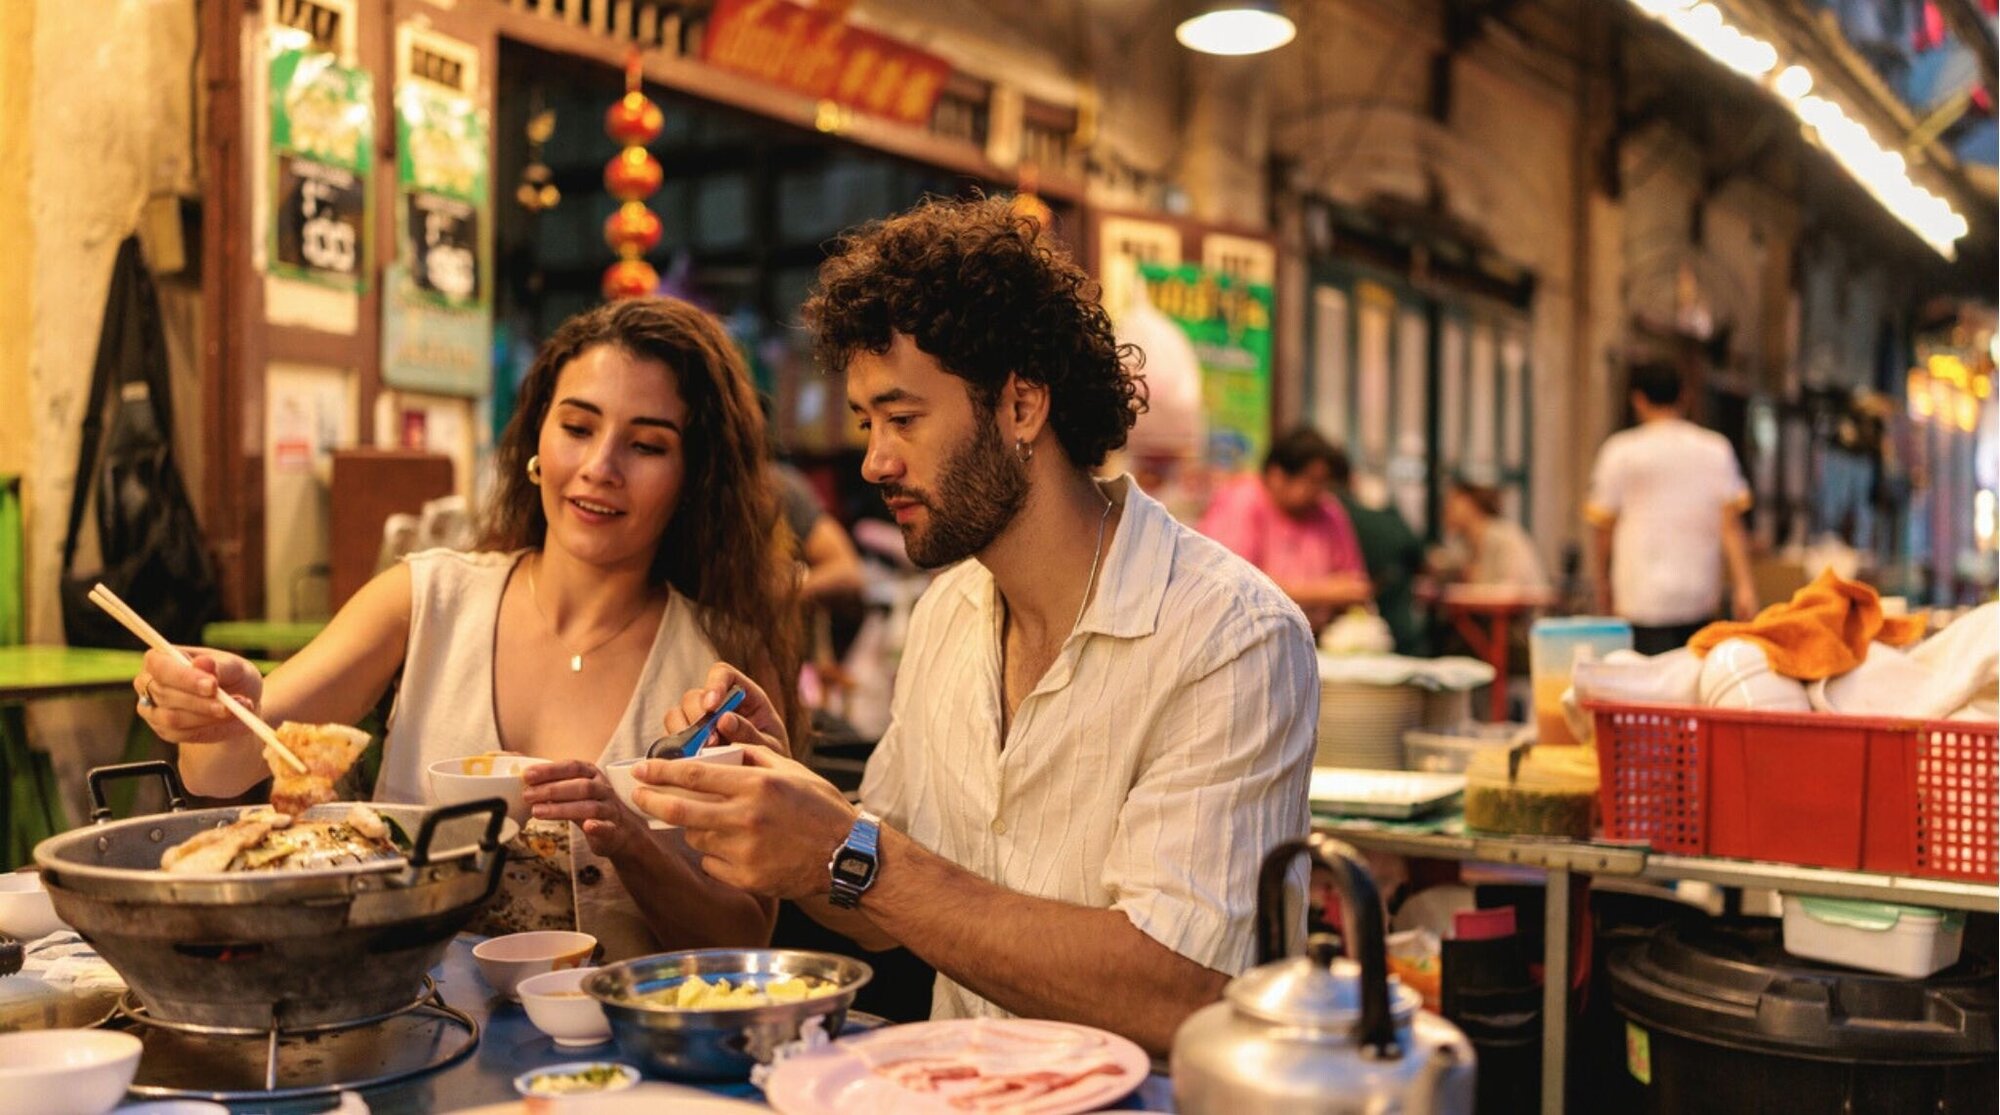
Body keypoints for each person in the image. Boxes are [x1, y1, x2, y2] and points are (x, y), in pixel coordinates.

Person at [627, 196, 1318, 1057]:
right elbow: (882, 908)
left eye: (903, 418)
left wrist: (847, 848)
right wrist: (788, 799)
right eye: (868, 423)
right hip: (950, 1085)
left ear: (1021, 405)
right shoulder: (949, 612)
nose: (875, 460)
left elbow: (1176, 990)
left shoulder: (1233, 638)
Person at [129, 297, 800, 960]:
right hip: (405, 1016)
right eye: (577, 427)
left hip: (620, 1031)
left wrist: (628, 840)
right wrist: (217, 704)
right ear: (537, 439)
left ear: (693, 477)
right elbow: (225, 767)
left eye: (647, 445)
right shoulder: (426, 599)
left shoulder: (721, 665)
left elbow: (743, 937)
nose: (600, 466)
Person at [1586, 361, 1758, 655]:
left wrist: (1601, 584)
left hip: (1639, 596)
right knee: (1692, 678)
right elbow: (1730, 526)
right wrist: (1745, 587)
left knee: (1643, 679)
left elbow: (1603, 529)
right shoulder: (1715, 449)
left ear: (1638, 399)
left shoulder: (1620, 452)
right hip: (1698, 594)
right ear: (1685, 396)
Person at [1197, 425, 1372, 629]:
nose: (1318, 491)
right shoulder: (1242, 500)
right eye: (1312, 481)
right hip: (1243, 631)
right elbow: (1234, 584)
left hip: (1316, 635)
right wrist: (1325, 592)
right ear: (1277, 475)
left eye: (1323, 483)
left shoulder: (1328, 510)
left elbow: (1353, 584)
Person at [1328, 449, 1428, 655]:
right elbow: (1418, 555)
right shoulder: (1381, 519)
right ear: (1352, 479)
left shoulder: (1329, 516)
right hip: (1392, 629)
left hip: (1343, 634)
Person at [1438, 477, 1550, 593]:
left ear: (1470, 503)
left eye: (1452, 501)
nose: (1446, 509)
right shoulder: (1464, 545)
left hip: (1527, 604)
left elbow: (1511, 591)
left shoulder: (1505, 537)